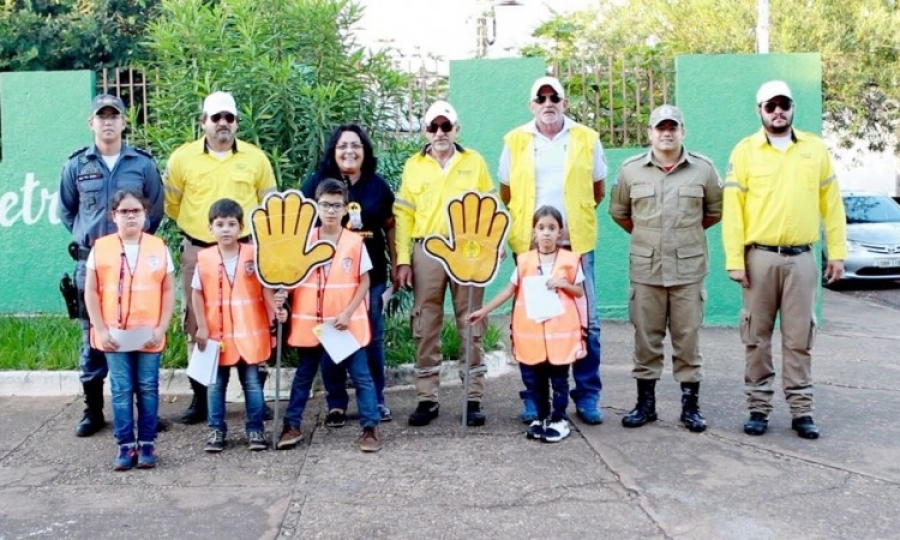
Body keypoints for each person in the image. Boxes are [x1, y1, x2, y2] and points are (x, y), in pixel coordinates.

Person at [722, 80, 847, 439]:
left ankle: (801, 411)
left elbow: (832, 206)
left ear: (792, 107)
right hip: (759, 258)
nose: (778, 111)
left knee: (799, 337)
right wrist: (735, 259)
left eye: (784, 104)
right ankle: (758, 409)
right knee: (756, 337)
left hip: (802, 259)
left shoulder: (815, 149)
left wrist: (836, 252)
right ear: (759, 110)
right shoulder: (744, 151)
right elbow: (734, 211)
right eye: (770, 105)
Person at [499, 76, 607, 425]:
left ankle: (587, 396)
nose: (548, 103)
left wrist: (565, 230)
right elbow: (507, 193)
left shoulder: (586, 138)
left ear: (565, 102)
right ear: (532, 105)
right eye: (540, 98)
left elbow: (597, 189)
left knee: (586, 322)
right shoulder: (515, 140)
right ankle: (534, 398)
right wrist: (537, 232)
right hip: (530, 246)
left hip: (575, 245)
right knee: (532, 322)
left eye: (554, 97)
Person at [164, 91, 277, 425]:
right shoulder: (182, 159)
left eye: (229, 117)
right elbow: (172, 204)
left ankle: (256, 396)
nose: (223, 124)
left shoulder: (256, 159)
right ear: (203, 122)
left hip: (247, 251)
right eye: (216, 118)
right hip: (199, 249)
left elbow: (267, 205)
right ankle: (201, 399)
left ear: (237, 122)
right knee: (199, 320)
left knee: (253, 319)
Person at [609, 105, 723, 433]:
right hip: (647, 270)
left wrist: (681, 238)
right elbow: (620, 213)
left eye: (673, 127)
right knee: (646, 338)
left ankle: (691, 407)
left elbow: (714, 212)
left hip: (688, 269)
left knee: (687, 339)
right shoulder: (631, 171)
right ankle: (646, 406)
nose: (667, 133)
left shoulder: (702, 169)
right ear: (650, 133)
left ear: (683, 131)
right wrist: (649, 238)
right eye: (661, 128)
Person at [58, 93, 164, 438]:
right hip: (92, 263)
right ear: (91, 123)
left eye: (113, 116)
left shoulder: (142, 164)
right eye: (101, 116)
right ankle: (93, 411)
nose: (107, 122)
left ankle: (142, 411)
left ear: (123, 122)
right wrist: (95, 242)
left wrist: (134, 243)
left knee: (137, 329)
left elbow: (155, 210)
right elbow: (67, 211)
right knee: (94, 336)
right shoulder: (76, 165)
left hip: (136, 262)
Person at [394, 100, 495, 427]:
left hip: (468, 250)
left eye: (446, 126)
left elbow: (489, 206)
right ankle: (427, 398)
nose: (439, 132)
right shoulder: (413, 165)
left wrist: (491, 247)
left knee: (471, 320)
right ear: (425, 130)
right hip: (427, 249)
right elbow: (403, 216)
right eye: (433, 126)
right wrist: (402, 260)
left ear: (456, 129)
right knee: (425, 322)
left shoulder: (474, 161)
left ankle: (473, 397)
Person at [276, 178, 382, 453]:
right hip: (311, 324)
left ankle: (370, 427)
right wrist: (281, 296)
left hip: (344, 324)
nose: (331, 211)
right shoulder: (304, 241)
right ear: (316, 206)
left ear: (346, 209)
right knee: (304, 376)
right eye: (325, 205)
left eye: (337, 206)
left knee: (361, 375)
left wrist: (348, 313)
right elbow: (291, 278)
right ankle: (291, 424)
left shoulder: (354, 242)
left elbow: (365, 281)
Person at [301, 124, 396, 425]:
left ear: (364, 151)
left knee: (372, 338)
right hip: (327, 277)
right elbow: (302, 225)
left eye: (355, 145)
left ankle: (376, 400)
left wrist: (398, 265)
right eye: (342, 146)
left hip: (370, 274)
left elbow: (390, 228)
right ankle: (336, 401)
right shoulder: (317, 182)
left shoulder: (377, 186)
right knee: (331, 336)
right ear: (334, 150)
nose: (349, 151)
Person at [468, 206, 585, 443]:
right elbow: (509, 290)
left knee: (560, 380)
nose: (546, 234)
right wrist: (483, 310)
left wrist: (563, 283)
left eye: (552, 228)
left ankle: (559, 419)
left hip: (560, 338)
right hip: (532, 337)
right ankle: (541, 417)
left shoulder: (570, 261)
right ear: (534, 233)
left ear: (560, 233)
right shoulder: (524, 261)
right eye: (541, 228)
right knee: (535, 380)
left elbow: (579, 291)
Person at [82, 189, 175, 470]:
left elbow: (169, 290)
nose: (130, 216)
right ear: (114, 216)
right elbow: (91, 291)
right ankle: (125, 446)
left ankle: (147, 444)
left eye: (136, 211)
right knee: (121, 389)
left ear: (145, 215)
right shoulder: (101, 247)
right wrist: (100, 328)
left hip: (149, 334)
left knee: (148, 387)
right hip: (113, 335)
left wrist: (161, 328)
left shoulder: (158, 246)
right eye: (124, 211)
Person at [192, 199, 277, 453]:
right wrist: (201, 326)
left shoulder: (253, 253)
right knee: (216, 385)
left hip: (250, 334)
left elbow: (266, 287)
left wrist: (277, 309)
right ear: (210, 228)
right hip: (217, 335)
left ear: (241, 228)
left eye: (231, 224)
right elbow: (197, 293)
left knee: (252, 383)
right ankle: (217, 430)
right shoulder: (205, 258)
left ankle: (256, 430)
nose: (226, 229)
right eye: (220, 224)